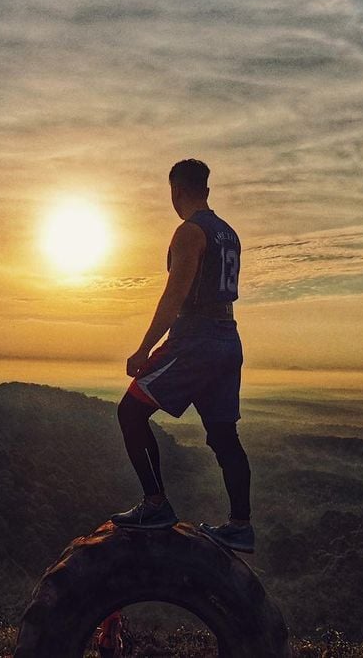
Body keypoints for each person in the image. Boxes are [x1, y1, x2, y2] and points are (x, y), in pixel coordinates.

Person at [110, 159, 253, 553]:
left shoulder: (189, 232)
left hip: (196, 339)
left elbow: (174, 297)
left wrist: (144, 348)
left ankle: (155, 503)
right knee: (225, 436)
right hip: (229, 339)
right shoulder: (229, 233)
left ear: (176, 191)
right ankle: (241, 524)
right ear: (206, 188)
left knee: (129, 412)